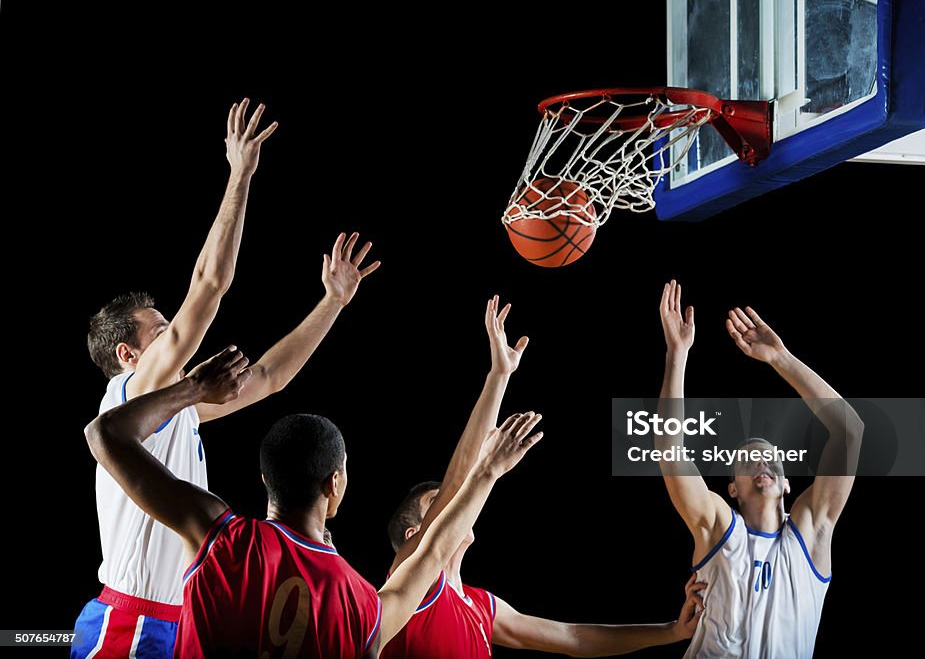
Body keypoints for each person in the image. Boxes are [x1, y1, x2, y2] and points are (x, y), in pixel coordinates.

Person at [76, 98, 380, 658]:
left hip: (179, 620)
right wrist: (240, 174)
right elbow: (209, 285)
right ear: (127, 355)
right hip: (132, 622)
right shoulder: (129, 393)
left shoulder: (175, 410)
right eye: (162, 332)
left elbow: (268, 376)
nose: (177, 337)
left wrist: (333, 302)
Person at [79, 346, 545, 658]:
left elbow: (104, 434)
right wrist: (487, 472)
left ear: (265, 479)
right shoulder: (361, 604)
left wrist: (194, 390)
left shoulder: (217, 535)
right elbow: (436, 547)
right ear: (335, 485)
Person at [383, 297, 706, 658]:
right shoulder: (411, 584)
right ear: (414, 534)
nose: (456, 502)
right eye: (436, 503)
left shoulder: (480, 606)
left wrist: (672, 631)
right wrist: (498, 378)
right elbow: (460, 482)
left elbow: (574, 637)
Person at [656, 280, 864, 659]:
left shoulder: (810, 535)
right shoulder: (719, 525)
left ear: (786, 485)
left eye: (771, 459)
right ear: (731, 488)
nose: (762, 462)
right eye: (748, 458)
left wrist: (780, 358)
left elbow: (850, 432)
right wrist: (677, 355)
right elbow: (670, 450)